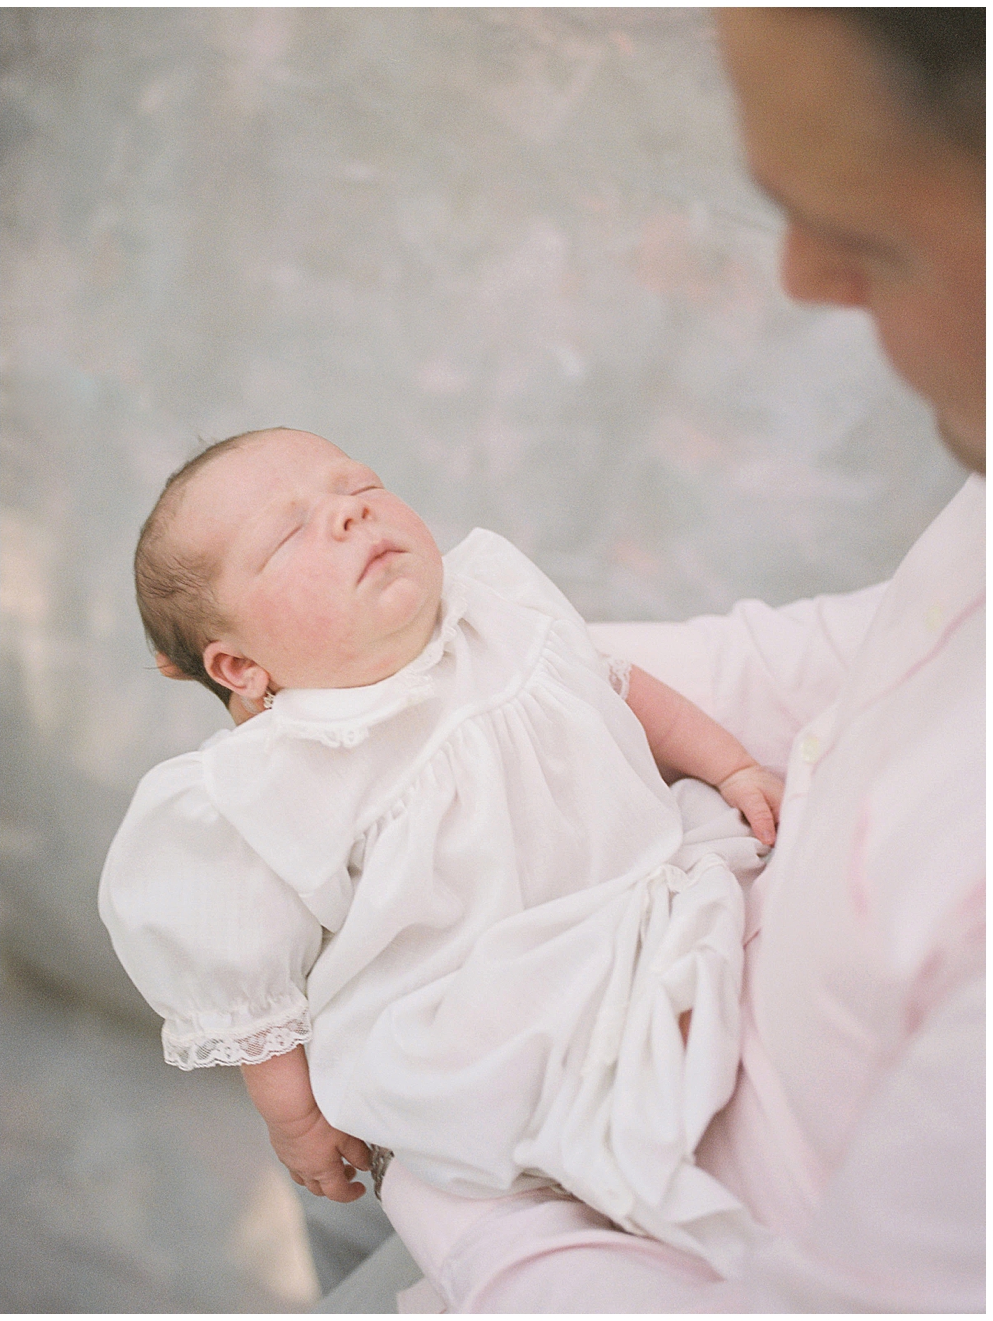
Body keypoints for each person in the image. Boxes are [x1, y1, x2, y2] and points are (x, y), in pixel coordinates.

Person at [371, 8, 985, 1312]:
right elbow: (865, 647)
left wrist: (468, 1216)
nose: (803, 279)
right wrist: (481, 677)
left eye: (867, 236)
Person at [99, 425, 785, 1271]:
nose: (350, 515)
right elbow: (253, 998)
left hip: (636, 896)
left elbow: (625, 687)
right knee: (465, 1145)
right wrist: (299, 1121)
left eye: (360, 486)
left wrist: (734, 764)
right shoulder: (269, 784)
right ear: (240, 666)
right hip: (462, 1004)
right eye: (290, 531)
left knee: (719, 1015)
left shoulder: (496, 611)